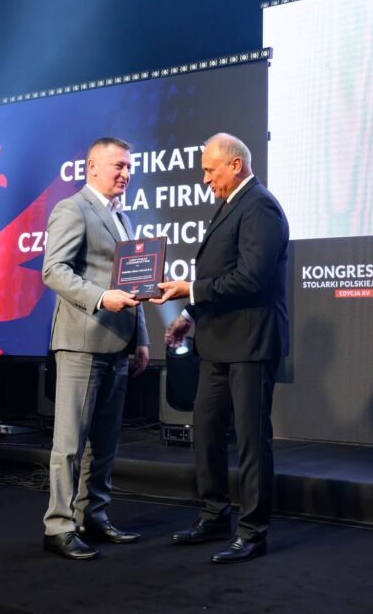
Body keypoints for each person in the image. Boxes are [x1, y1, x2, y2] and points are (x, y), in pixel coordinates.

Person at [154, 132, 289, 564]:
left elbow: (251, 278)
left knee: (251, 440)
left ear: (235, 164)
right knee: (206, 431)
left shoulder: (260, 206)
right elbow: (220, 273)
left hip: (250, 342)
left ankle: (252, 532)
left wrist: (190, 289)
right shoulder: (231, 204)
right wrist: (189, 315)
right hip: (216, 342)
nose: (205, 179)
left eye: (210, 170)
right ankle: (214, 516)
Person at [41, 137, 150, 560]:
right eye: (118, 165)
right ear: (92, 166)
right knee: (70, 443)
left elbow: (134, 283)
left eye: (129, 167)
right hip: (82, 340)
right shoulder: (73, 208)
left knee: (104, 443)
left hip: (118, 343)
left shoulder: (121, 216)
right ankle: (58, 526)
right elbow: (54, 270)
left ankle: (93, 516)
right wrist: (101, 297)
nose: (126, 173)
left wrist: (142, 338)